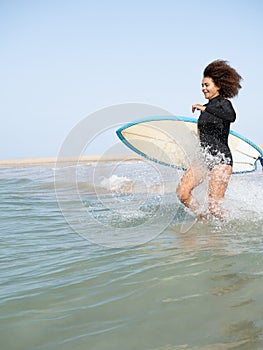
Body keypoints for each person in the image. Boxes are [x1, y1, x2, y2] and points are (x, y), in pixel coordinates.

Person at [176, 60, 242, 219]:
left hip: (221, 160)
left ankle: (223, 234)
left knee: (215, 207)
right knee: (182, 193)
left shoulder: (224, 104)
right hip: (205, 159)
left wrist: (204, 108)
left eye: (207, 85)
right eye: (202, 85)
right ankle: (202, 218)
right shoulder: (206, 109)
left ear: (218, 86)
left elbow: (231, 117)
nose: (203, 88)